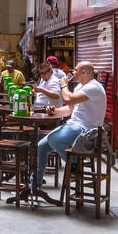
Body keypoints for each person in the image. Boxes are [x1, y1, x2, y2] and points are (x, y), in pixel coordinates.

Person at [33, 60, 106, 194]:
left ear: (83, 72)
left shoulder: (94, 87)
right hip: (73, 125)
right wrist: (54, 111)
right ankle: (34, 185)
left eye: (75, 70)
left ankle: (73, 163)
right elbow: (70, 109)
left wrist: (63, 86)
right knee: (41, 146)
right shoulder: (80, 87)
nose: (72, 72)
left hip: (86, 130)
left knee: (55, 138)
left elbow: (68, 99)